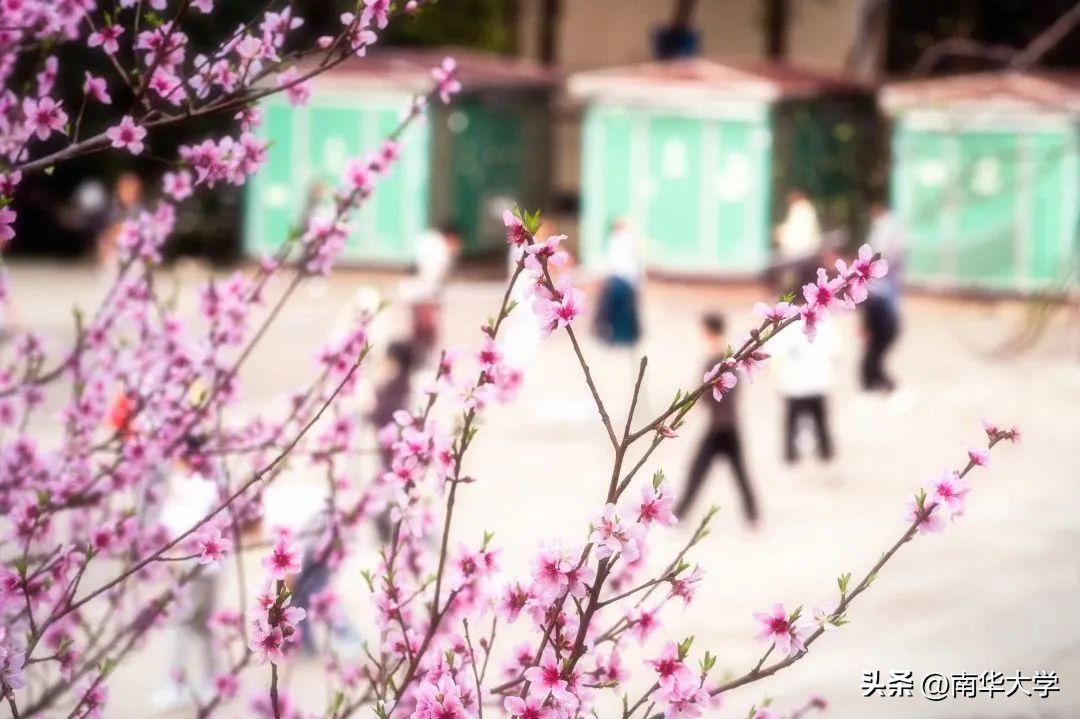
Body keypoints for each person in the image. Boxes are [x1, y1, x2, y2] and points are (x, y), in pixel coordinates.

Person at [676, 314, 758, 526]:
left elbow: (717, 393)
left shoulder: (720, 359)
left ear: (709, 330)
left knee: (699, 472)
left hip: (721, 427)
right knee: (736, 474)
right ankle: (753, 518)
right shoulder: (724, 357)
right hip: (727, 425)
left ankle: (679, 516)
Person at [771, 312, 840, 463]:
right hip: (818, 382)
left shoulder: (786, 324)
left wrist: (779, 376)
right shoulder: (825, 321)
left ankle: (790, 454)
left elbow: (775, 353)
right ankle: (826, 452)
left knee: (791, 421)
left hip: (792, 384)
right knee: (820, 420)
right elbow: (835, 351)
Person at [369, 341, 416, 542]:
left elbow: (382, 417)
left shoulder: (397, 388)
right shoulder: (400, 385)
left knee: (388, 497)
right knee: (389, 496)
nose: (383, 363)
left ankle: (391, 538)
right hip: (392, 454)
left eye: (387, 359)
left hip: (395, 455)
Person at [861, 201, 905, 392]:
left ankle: (878, 382)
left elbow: (884, 254)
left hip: (882, 289)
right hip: (877, 289)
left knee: (880, 337)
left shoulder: (889, 229)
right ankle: (873, 382)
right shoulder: (884, 228)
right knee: (875, 341)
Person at [404, 223, 461, 363]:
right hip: (423, 294)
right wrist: (430, 299)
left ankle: (419, 356)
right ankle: (421, 357)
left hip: (419, 293)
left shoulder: (433, 244)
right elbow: (430, 276)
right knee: (425, 328)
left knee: (421, 329)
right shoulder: (439, 250)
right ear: (451, 237)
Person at [594, 218, 643, 347]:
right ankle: (624, 338)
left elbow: (612, 261)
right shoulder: (625, 239)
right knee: (624, 312)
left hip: (618, 278)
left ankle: (618, 337)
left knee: (617, 311)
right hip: (626, 279)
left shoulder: (615, 239)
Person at [772, 189, 823, 293]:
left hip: (798, 249)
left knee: (790, 272)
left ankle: (787, 292)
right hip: (803, 248)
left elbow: (796, 233)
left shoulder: (800, 209)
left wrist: (780, 233)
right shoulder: (806, 209)